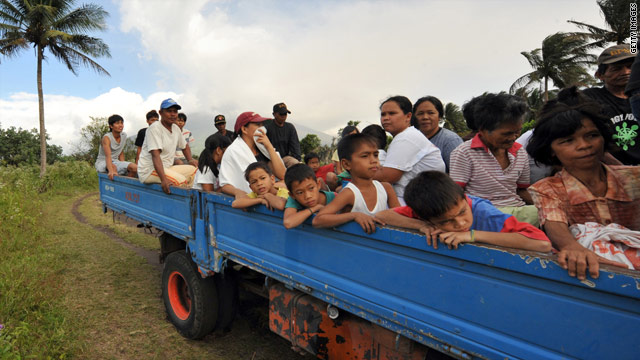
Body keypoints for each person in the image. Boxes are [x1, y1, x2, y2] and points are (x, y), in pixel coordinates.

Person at [526, 90, 638, 280]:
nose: (584, 145)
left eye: (592, 135)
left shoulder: (633, 178)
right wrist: (572, 247)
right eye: (568, 141)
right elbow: (555, 226)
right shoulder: (548, 189)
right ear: (551, 150)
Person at [375, 171, 551, 252]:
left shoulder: (484, 213)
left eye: (462, 212)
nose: (460, 224)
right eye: (445, 222)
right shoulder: (429, 207)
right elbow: (382, 215)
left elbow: (542, 244)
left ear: (464, 199)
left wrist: (472, 235)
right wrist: (421, 226)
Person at [449, 93, 538, 225]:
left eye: (517, 132)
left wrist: (545, 204)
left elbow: (521, 190)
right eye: (507, 134)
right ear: (483, 130)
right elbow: (456, 195)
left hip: (517, 211)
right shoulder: (464, 153)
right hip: (483, 214)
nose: (513, 137)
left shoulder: (520, 152)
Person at [313, 134, 400, 234]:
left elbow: (399, 217)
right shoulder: (349, 193)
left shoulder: (386, 188)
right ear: (346, 164)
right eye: (365, 156)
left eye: (375, 155)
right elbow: (318, 220)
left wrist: (419, 225)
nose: (373, 160)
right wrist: (354, 215)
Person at [374, 96, 445, 205]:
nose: (386, 118)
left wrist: (356, 172)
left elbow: (388, 176)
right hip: (417, 198)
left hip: (418, 202)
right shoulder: (404, 136)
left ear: (408, 116)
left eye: (392, 113)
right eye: (383, 114)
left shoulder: (406, 137)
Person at [583, 44, 639, 165]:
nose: (626, 72)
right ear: (600, 75)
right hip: (613, 170)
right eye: (616, 69)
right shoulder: (589, 98)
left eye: (631, 67)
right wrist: (622, 170)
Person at [137, 98, 198, 194]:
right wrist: (163, 179)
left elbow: (185, 146)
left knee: (195, 172)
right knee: (181, 181)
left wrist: (190, 160)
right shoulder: (155, 128)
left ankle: (193, 202)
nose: (173, 114)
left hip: (167, 167)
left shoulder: (175, 128)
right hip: (149, 170)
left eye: (175, 111)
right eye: (169, 111)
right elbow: (155, 155)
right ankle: (185, 207)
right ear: (160, 113)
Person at [219, 112, 286, 197]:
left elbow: (282, 175)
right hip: (254, 197)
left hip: (270, 194)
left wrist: (269, 146)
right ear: (244, 129)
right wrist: (237, 192)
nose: (261, 129)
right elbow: (225, 184)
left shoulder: (262, 148)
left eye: (262, 125)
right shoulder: (234, 151)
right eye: (258, 125)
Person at [412, 96, 463, 172]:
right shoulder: (411, 139)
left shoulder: (450, 140)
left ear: (440, 116)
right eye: (420, 113)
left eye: (431, 113)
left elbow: (460, 174)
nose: (425, 117)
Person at [283, 163, 337, 229]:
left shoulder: (335, 198)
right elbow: (288, 223)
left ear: (318, 184)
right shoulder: (294, 200)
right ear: (292, 195)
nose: (308, 196)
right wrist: (315, 208)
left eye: (311, 188)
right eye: (300, 192)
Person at [95, 114, 137, 180]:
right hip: (103, 162)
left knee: (135, 168)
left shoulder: (124, 135)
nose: (120, 125)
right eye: (117, 123)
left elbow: (120, 151)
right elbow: (108, 156)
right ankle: (119, 185)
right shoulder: (107, 138)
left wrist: (123, 163)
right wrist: (111, 171)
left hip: (116, 161)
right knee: (113, 167)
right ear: (111, 126)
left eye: (122, 123)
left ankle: (125, 186)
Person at [263, 102, 301, 167]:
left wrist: (297, 160)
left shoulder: (290, 127)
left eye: (285, 114)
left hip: (285, 158)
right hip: (270, 159)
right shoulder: (267, 127)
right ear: (274, 114)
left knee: (296, 164)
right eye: (281, 114)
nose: (283, 116)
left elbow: (295, 147)